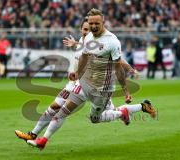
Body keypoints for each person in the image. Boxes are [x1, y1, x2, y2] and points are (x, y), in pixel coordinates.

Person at [25, 9, 156, 150]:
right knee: (63, 111)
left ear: (103, 22)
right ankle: (43, 140)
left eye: (96, 23)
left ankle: (128, 111)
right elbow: (84, 58)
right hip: (83, 83)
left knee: (95, 119)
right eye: (91, 23)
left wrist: (126, 91)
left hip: (102, 89)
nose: (93, 26)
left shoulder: (112, 41)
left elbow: (118, 67)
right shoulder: (88, 38)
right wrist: (77, 73)